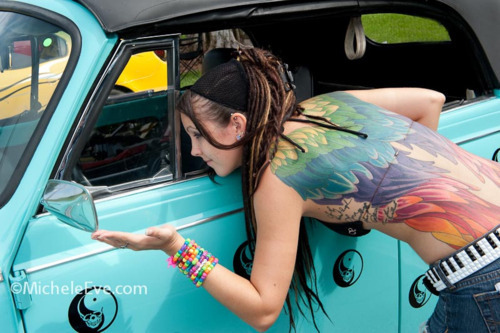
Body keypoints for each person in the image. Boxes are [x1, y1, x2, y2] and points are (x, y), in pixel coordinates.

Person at [92, 48, 500, 333]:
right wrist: (398, 190)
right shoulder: (328, 107)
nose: (195, 151)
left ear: (237, 125)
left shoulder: (276, 179)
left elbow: (264, 310)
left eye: (198, 136)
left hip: (483, 273)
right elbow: (430, 101)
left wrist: (176, 248)